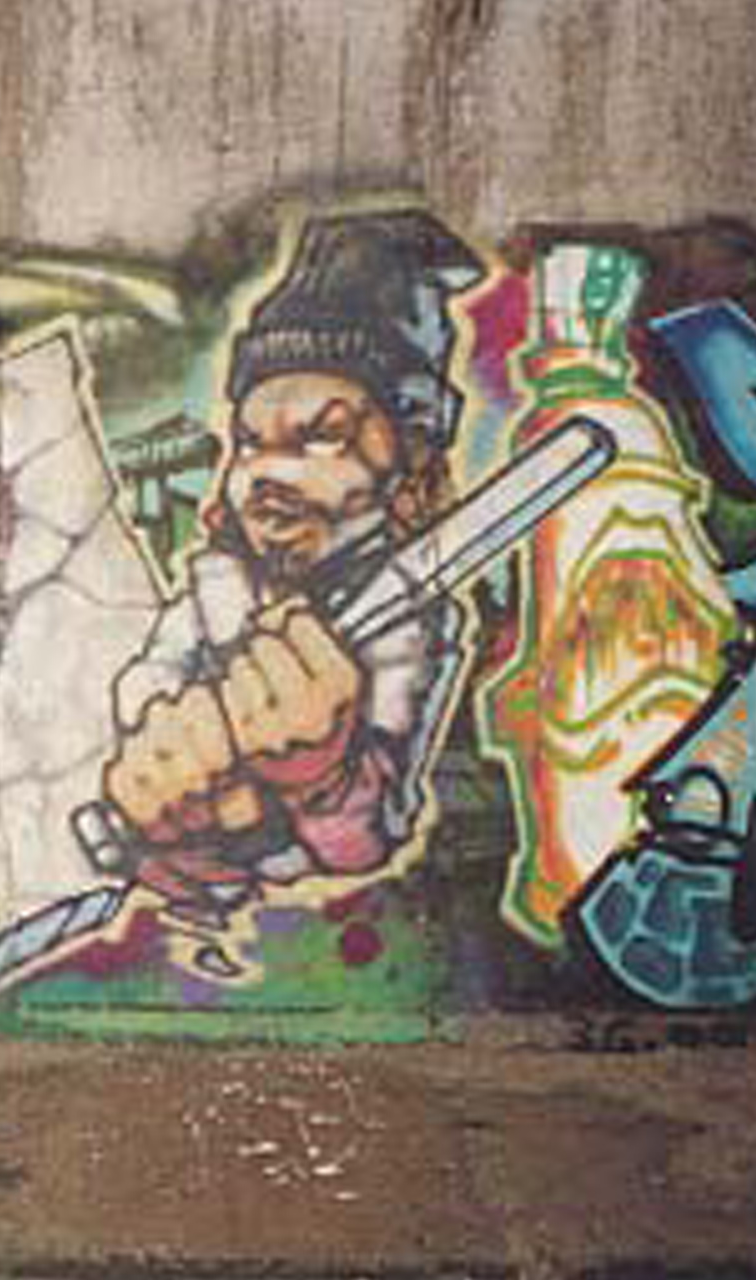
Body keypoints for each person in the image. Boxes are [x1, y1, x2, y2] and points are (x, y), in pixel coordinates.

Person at [100, 210, 485, 937]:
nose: (268, 474)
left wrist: (323, 782)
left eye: (322, 438)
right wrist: (169, 746)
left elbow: (377, 830)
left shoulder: (411, 624)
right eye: (250, 444)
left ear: (409, 459)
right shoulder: (217, 589)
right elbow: (147, 686)